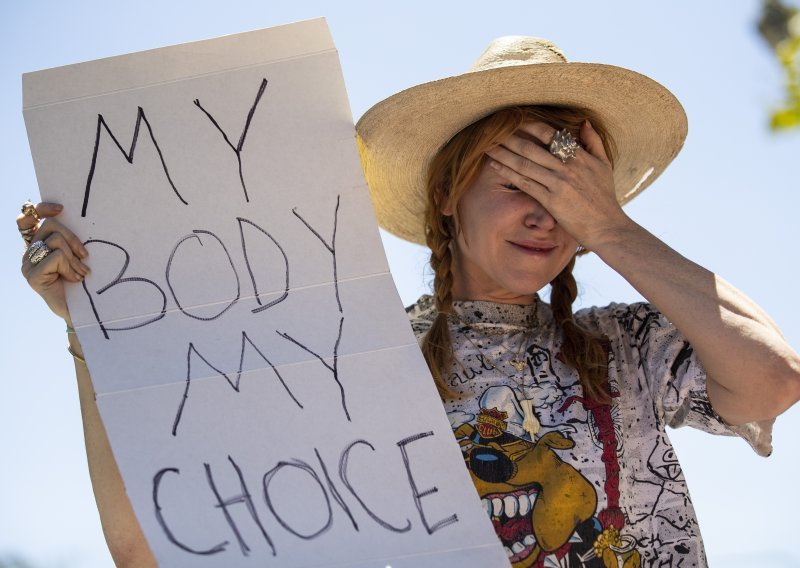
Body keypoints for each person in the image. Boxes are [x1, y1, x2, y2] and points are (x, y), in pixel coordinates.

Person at [18, 35, 800, 568]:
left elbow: (774, 379)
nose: (545, 212)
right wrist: (94, 330)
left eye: (568, 190)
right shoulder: (353, 361)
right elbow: (152, 551)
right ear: (446, 195)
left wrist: (610, 224)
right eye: (520, 181)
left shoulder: (627, 344)